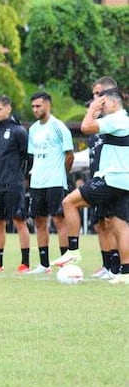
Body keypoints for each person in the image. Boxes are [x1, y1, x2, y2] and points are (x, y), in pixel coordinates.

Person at [55, 84, 129, 283]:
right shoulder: (125, 120)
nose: (100, 107)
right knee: (119, 225)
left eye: (103, 103)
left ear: (114, 102)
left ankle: (72, 250)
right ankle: (126, 273)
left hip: (110, 178)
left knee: (69, 202)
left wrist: (92, 110)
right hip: (123, 180)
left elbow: (86, 127)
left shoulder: (115, 119)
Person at [0, 95, 33, 273]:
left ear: (8, 109)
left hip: (13, 184)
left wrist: (23, 177)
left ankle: (25, 263)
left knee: (19, 221)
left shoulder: (19, 131)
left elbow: (28, 157)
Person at [27, 91, 73, 270]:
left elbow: (69, 155)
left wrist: (62, 174)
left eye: (38, 106)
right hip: (37, 183)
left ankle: (65, 264)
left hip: (55, 182)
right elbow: (33, 156)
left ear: (48, 105)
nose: (35, 109)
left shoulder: (59, 127)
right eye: (33, 106)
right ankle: (44, 264)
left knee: (59, 221)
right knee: (39, 222)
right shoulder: (33, 129)